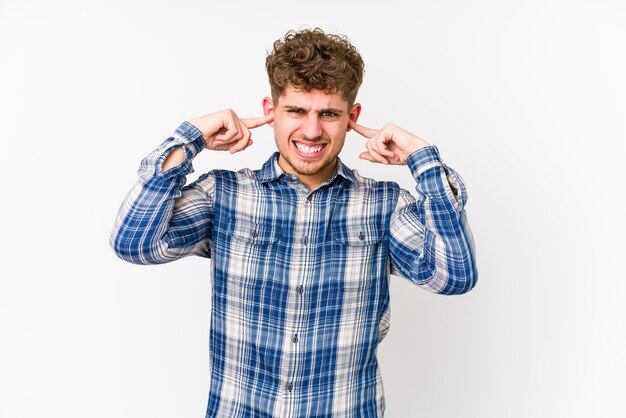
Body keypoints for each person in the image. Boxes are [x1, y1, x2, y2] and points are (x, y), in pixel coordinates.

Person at [111, 28, 477, 417]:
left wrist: (424, 161)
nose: (312, 130)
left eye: (329, 114)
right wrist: (190, 140)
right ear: (271, 111)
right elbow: (135, 244)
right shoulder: (224, 194)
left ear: (352, 117)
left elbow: (452, 276)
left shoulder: (384, 204)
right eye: (297, 111)